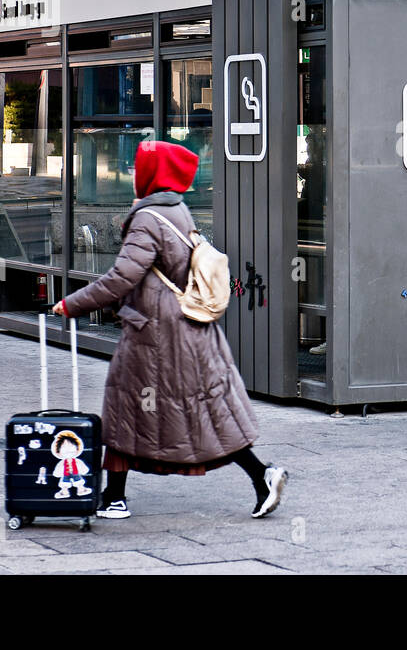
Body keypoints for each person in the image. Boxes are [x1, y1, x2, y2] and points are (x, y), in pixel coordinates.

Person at [52, 140, 288, 519]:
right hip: (179, 333)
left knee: (131, 408)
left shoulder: (148, 218)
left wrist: (72, 304)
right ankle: (260, 476)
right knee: (193, 411)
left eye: (138, 166)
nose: (132, 173)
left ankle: (259, 475)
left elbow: (122, 278)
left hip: (159, 338)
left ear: (152, 174)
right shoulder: (175, 209)